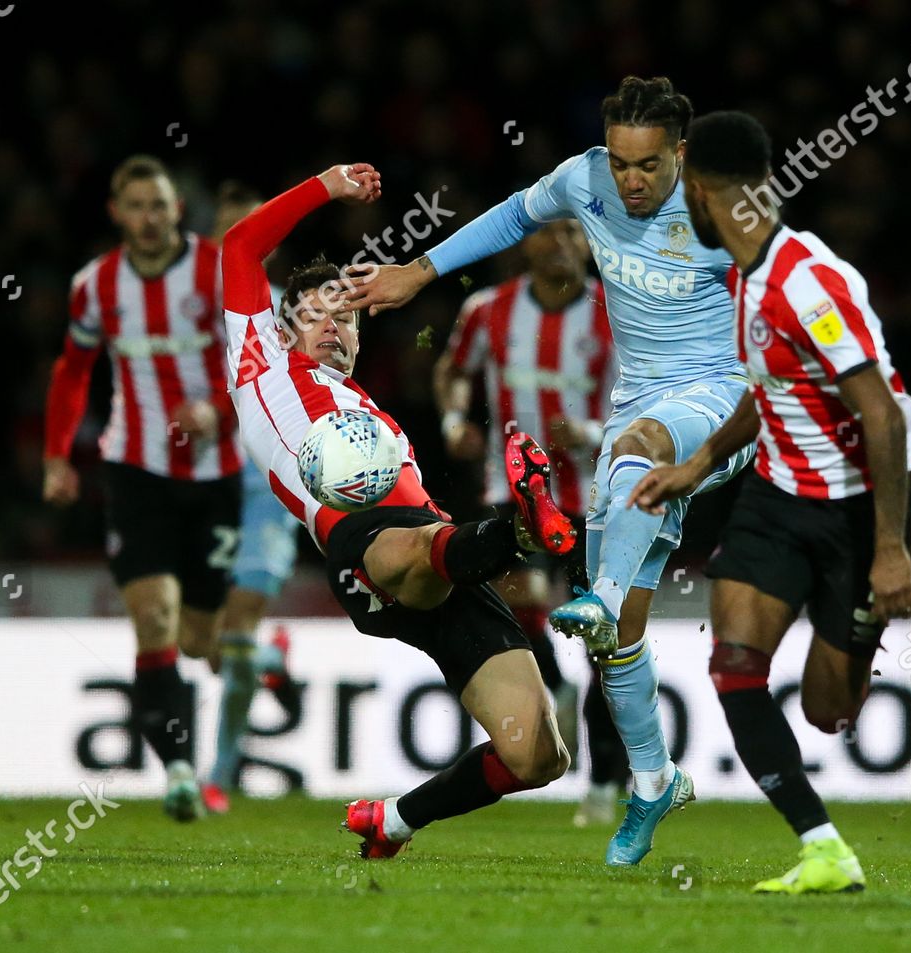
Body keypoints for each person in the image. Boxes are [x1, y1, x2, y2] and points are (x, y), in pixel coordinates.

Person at [342, 76, 753, 866]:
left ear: (683, 152)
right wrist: (419, 272)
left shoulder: (722, 212)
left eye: (649, 166)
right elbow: (513, 215)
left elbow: (780, 305)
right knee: (618, 640)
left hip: (720, 399)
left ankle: (593, 595)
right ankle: (652, 778)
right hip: (639, 403)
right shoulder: (586, 177)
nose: (632, 181)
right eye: (623, 163)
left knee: (635, 451)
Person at [222, 164, 573, 857]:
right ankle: (521, 528)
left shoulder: (372, 413)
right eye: (318, 311)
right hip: (365, 552)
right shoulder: (257, 359)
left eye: (347, 316)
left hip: (442, 554)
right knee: (410, 547)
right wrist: (326, 184)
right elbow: (237, 247)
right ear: (281, 323)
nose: (334, 325)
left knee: (539, 751)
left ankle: (394, 820)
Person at [632, 111, 911, 893]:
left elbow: (881, 412)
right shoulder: (749, 275)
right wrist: (697, 463)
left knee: (828, 712)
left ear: (700, 191)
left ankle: (859, 623)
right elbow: (765, 389)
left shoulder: (807, 280)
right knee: (734, 663)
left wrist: (890, 548)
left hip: (853, 508)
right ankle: (823, 846)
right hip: (775, 498)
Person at [44, 155, 241, 821]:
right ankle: (179, 768)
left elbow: (257, 360)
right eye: (137, 207)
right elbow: (72, 371)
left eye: (160, 205)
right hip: (134, 468)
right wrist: (56, 457)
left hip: (217, 475)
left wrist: (216, 408)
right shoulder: (95, 286)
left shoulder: (218, 270)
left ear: (177, 210)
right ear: (116, 214)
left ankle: (235, 658)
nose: (150, 219)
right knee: (154, 618)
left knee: (197, 639)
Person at [432, 219, 630, 825]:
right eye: (546, 232)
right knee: (513, 601)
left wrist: (597, 434)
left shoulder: (613, 312)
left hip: (593, 495)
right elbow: (451, 371)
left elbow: (648, 394)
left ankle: (606, 782)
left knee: (606, 638)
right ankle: (553, 686)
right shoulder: (487, 309)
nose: (559, 243)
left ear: (587, 243)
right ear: (527, 245)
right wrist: (453, 422)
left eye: (572, 232)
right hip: (511, 492)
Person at [200, 180, 304, 815]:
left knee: (235, 622)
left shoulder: (275, 317)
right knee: (208, 644)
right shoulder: (180, 312)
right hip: (196, 492)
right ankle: (271, 656)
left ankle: (218, 773)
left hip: (261, 485)